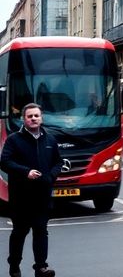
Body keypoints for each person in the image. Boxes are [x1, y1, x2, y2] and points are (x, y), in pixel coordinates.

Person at [1, 104, 61, 277]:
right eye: (30, 116)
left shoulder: (50, 139)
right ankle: (14, 265)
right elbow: (5, 162)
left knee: (41, 231)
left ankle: (41, 267)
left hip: (42, 196)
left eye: (36, 115)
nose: (34, 118)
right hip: (21, 197)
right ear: (24, 119)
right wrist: (25, 172)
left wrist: (51, 176)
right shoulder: (14, 140)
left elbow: (58, 162)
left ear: (41, 118)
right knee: (20, 232)